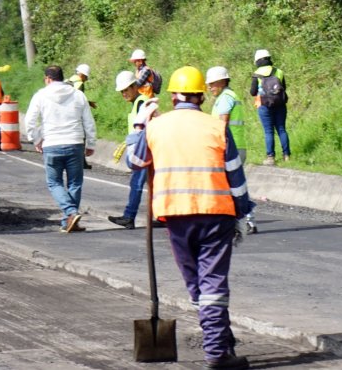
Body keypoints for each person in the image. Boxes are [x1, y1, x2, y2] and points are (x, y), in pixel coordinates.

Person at [128, 66, 254, 370]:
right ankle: (218, 349)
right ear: (200, 96)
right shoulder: (216, 127)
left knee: (197, 283)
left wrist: (139, 126)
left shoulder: (156, 127)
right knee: (211, 282)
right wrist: (244, 213)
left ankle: (220, 343)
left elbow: (135, 161)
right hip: (216, 215)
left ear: (172, 96)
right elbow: (235, 177)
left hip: (175, 216)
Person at [24, 65, 96, 233]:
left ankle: (70, 213)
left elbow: (30, 121)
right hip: (75, 143)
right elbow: (88, 121)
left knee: (54, 182)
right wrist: (91, 143)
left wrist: (36, 139)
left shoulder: (40, 95)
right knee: (75, 182)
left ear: (48, 78)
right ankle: (71, 220)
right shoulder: (78, 95)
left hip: (52, 144)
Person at [107, 70, 159, 229]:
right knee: (152, 183)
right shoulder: (139, 103)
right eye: (122, 91)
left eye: (127, 89)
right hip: (143, 149)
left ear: (135, 86)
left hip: (144, 150)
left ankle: (129, 216)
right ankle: (162, 216)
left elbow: (148, 126)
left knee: (137, 184)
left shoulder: (142, 102)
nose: (124, 93)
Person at [207, 66, 255, 234]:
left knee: (226, 185)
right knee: (236, 185)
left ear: (221, 82)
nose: (209, 87)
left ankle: (234, 221)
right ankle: (248, 219)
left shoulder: (226, 98)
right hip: (237, 146)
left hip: (229, 148)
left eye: (212, 84)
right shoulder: (229, 96)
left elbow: (222, 124)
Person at [248, 49, 289, 166]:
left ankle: (270, 157)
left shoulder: (256, 74)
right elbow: (284, 88)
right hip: (280, 105)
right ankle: (287, 155)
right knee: (281, 129)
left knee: (268, 131)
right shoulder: (279, 72)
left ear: (257, 61)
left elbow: (252, 92)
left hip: (264, 106)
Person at [66, 63, 96, 167]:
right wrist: (88, 104)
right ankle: (81, 162)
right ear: (82, 75)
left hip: (66, 113)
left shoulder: (68, 81)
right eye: (86, 76)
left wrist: (89, 102)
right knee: (81, 136)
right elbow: (79, 101)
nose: (86, 79)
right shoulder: (79, 84)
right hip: (76, 113)